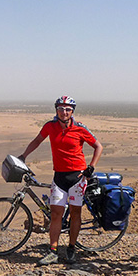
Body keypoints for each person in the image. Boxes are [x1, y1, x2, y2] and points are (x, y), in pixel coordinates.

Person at [19, 96, 103, 265]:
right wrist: (23, 156)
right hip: (59, 177)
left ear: (72, 111)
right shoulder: (50, 126)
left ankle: (71, 249)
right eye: (61, 109)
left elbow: (98, 146)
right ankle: (53, 251)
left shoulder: (80, 128)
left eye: (67, 109)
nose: (64, 112)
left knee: (75, 214)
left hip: (77, 178)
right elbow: (37, 141)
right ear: (56, 110)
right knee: (56, 214)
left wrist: (91, 166)